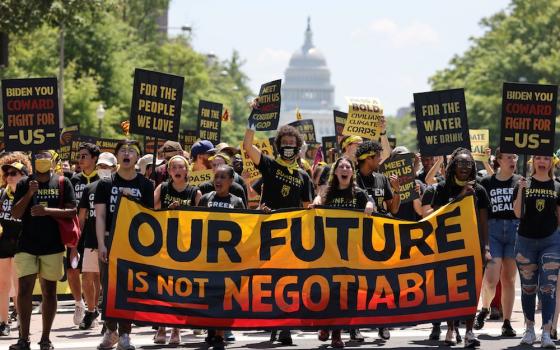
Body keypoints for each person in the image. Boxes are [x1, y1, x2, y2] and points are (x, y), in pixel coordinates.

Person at [243, 101, 313, 346]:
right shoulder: (269, 166)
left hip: (292, 234)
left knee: (290, 280)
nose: (288, 148)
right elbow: (247, 146)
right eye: (284, 144)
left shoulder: (304, 176)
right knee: (270, 278)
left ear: (298, 148)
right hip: (268, 230)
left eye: (292, 145)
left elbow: (307, 207)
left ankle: (286, 325)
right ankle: (275, 322)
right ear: (278, 145)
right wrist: (254, 116)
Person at [10, 150, 77, 350]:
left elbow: (72, 210)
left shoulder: (63, 182)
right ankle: (23, 338)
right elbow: (15, 213)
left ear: (53, 161)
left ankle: (45, 339)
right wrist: (30, 193)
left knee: (49, 291)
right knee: (24, 290)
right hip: (27, 245)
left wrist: (46, 211)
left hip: (53, 245)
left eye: (46, 157)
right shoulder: (24, 183)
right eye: (38, 158)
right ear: (32, 161)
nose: (42, 161)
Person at [95, 140, 154, 350]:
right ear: (117, 156)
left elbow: (149, 219)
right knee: (108, 287)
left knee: (128, 288)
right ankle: (110, 331)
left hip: (133, 242)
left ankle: (126, 334)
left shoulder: (146, 185)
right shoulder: (105, 183)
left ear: (137, 157)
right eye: (123, 151)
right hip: (110, 239)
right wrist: (102, 243)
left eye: (131, 151)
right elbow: (100, 216)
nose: (127, 154)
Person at [311, 157, 374, 348]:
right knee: (329, 291)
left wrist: (370, 205)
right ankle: (325, 326)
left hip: (351, 253)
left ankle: (336, 333)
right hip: (329, 252)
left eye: (348, 167)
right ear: (336, 172)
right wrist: (316, 201)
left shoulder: (359, 194)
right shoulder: (327, 192)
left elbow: (370, 204)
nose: (345, 169)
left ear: (352, 173)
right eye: (341, 167)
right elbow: (318, 201)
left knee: (345, 294)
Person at [431, 147, 490, 348]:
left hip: (472, 246)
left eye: (468, 163)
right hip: (448, 246)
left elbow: (483, 223)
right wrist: (460, 197)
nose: (464, 167)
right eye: (461, 163)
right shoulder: (442, 188)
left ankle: (469, 332)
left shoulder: (480, 190)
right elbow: (436, 215)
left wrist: (486, 248)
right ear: (453, 166)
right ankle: (450, 328)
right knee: (450, 290)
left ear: (473, 167)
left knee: (471, 290)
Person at [153, 155, 201, 345]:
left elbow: (200, 218)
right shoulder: (163, 188)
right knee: (162, 286)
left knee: (179, 288)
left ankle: (176, 329)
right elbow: (151, 209)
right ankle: (161, 327)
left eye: (181, 167)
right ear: (169, 171)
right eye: (173, 167)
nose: (177, 170)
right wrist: (167, 209)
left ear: (187, 170)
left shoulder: (194, 192)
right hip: (164, 244)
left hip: (185, 247)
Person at [512, 154, 560, 348]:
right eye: (539, 158)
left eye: (547, 159)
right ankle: (529, 329)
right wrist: (521, 190)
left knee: (548, 288)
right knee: (528, 288)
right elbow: (516, 213)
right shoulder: (523, 183)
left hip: (551, 242)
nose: (542, 162)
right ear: (532, 162)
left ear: (552, 163)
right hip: (525, 241)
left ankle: (546, 332)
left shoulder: (558, 186)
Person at [474, 149, 519, 337]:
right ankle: (485, 308)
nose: (513, 160)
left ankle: (506, 322)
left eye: (514, 157)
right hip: (492, 231)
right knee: (491, 279)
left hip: (514, 231)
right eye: (508, 157)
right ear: (498, 160)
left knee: (509, 279)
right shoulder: (486, 182)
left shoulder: (520, 181)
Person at [77, 152, 117, 330]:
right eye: (100, 166)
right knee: (87, 277)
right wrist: (76, 239)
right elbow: (82, 216)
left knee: (106, 280)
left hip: (113, 239)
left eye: (107, 167)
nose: (103, 170)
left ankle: (108, 315)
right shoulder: (90, 188)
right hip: (91, 239)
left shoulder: (118, 188)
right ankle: (91, 311)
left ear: (114, 168)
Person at [69, 142, 100, 327]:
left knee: (93, 275)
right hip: (76, 229)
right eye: (79, 156)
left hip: (94, 230)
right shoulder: (74, 180)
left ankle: (92, 308)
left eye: (84, 156)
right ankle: (79, 303)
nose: (80, 159)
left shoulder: (103, 179)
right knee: (72, 269)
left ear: (94, 159)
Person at [0, 155, 29, 337]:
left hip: (22, 244)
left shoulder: (28, 194)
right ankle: (3, 322)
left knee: (20, 287)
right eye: (7, 173)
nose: (9, 176)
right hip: (3, 244)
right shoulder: (1, 194)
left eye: (14, 173)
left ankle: (21, 320)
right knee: (2, 285)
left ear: (23, 175)